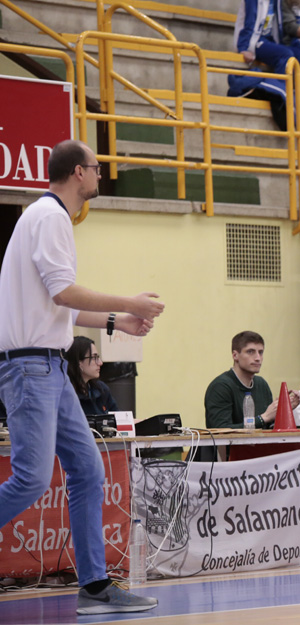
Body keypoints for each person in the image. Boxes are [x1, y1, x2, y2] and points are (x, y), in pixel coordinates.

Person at [0, 139, 163, 614]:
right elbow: (65, 293)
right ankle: (94, 586)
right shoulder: (50, 217)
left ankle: (93, 587)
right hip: (31, 366)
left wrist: (117, 322)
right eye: (96, 168)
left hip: (49, 364)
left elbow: (59, 308)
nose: (99, 175)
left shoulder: (46, 218)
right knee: (31, 478)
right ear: (77, 172)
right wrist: (129, 302)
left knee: (88, 470)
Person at [204, 331, 300, 430]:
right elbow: (220, 430)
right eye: (250, 352)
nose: (258, 358)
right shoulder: (220, 386)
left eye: (260, 352)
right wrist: (263, 418)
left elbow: (268, 427)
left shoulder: (261, 384)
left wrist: (283, 411)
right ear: (235, 355)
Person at [235, 0, 300, 76]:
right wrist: (243, 48)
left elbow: (282, 27)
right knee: (286, 54)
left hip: (270, 40)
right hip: (254, 41)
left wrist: (297, 44)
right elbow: (249, 22)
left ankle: (295, 85)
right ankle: (281, 84)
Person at [66, 336, 118, 418]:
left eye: (98, 357)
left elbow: (118, 418)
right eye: (94, 358)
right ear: (79, 362)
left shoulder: (101, 389)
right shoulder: (65, 393)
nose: (100, 363)